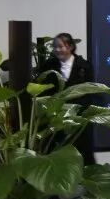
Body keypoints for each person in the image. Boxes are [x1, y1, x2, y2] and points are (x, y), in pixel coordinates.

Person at [38, 33, 97, 166]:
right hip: (55, 118)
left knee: (83, 152)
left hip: (78, 118)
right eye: (55, 47)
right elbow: (43, 90)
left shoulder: (84, 66)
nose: (57, 50)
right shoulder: (49, 66)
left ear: (70, 47)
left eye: (60, 46)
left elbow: (90, 91)